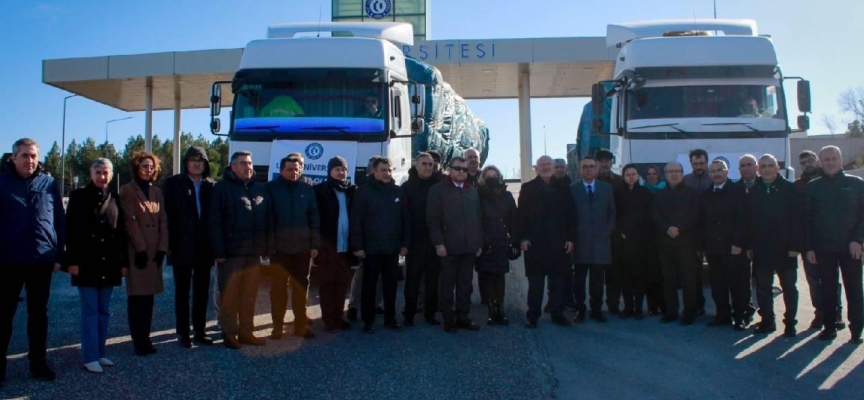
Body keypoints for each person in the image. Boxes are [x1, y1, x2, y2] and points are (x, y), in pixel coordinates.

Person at [0, 138, 65, 382]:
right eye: (25, 155)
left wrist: (59, 254)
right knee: (4, 315)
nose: (30, 160)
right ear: (13, 158)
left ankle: (38, 363)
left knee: (38, 315)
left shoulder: (48, 183)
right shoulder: (2, 183)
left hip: (41, 260)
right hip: (8, 261)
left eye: (34, 156)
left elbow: (59, 219)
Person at [64, 158, 126, 373]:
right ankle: (89, 356)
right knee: (90, 310)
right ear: (91, 173)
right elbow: (70, 229)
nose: (102, 176)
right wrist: (71, 260)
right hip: (86, 262)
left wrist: (123, 262)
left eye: (106, 172)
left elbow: (120, 233)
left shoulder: (115, 198)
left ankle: (100, 352)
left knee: (104, 310)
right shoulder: (78, 196)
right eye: (98, 172)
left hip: (108, 263)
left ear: (111, 174)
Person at [210, 151, 271, 349]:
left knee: (249, 295)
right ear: (233, 166)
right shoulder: (221, 189)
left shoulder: (259, 189)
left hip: (253, 253)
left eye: (250, 163)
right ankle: (229, 334)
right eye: (243, 163)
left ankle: (247, 332)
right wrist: (218, 251)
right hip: (230, 253)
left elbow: (267, 221)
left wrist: (266, 247)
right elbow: (215, 222)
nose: (248, 167)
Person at [804, 146, 864, 344]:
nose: (830, 162)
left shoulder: (856, 184)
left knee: (854, 290)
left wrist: (858, 240)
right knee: (828, 290)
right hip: (823, 248)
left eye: (834, 158)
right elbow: (807, 220)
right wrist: (809, 247)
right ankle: (829, 327)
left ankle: (856, 330)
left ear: (840, 160)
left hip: (851, 248)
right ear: (820, 162)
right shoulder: (813, 187)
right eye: (826, 159)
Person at [163, 147, 216, 348]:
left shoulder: (212, 186)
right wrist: (168, 245)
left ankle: (200, 331)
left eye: (200, 161)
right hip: (181, 246)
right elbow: (166, 216)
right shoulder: (173, 184)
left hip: (204, 248)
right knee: (182, 292)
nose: (196, 164)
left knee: (202, 292)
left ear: (205, 164)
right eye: (192, 160)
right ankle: (183, 333)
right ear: (186, 163)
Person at [350, 157, 410, 333]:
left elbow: (405, 220)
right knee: (369, 286)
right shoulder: (364, 191)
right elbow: (356, 221)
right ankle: (367, 321)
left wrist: (405, 244)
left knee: (391, 286)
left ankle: (390, 318)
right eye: (383, 170)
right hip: (370, 250)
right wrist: (358, 246)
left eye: (389, 170)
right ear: (374, 171)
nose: (387, 173)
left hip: (392, 249)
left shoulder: (398, 192)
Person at [119, 151, 168, 356]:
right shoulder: (127, 190)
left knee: (149, 297)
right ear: (136, 167)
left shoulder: (156, 192)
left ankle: (146, 337)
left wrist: (163, 248)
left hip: (154, 250)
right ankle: (138, 339)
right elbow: (130, 220)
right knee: (137, 296)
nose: (148, 170)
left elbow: (163, 220)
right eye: (144, 166)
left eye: (151, 166)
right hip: (137, 251)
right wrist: (139, 249)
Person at [428, 157, 484, 332]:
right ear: (449, 170)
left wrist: (478, 243)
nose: (461, 172)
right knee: (447, 285)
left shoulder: (472, 191)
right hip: (448, 247)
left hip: (468, 247)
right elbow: (433, 220)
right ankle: (448, 320)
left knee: (465, 285)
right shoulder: (438, 190)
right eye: (457, 168)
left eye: (464, 169)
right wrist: (438, 243)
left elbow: (478, 219)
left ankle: (463, 317)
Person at [518, 156, 576, 328]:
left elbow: (572, 216)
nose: (545, 167)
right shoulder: (528, 189)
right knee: (535, 285)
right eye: (542, 165)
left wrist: (571, 239)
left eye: (548, 165)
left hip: (559, 245)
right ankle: (533, 315)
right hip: (534, 245)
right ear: (536, 168)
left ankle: (558, 314)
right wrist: (523, 238)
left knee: (558, 283)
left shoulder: (565, 188)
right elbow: (521, 216)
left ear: (553, 167)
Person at [267, 155, 320, 340]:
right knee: (278, 290)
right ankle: (277, 327)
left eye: (297, 169)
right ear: (281, 170)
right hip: (279, 250)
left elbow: (314, 219)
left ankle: (300, 326)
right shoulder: (271, 189)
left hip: (302, 250)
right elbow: (266, 219)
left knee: (300, 289)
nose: (294, 172)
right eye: (290, 169)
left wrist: (314, 244)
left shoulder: (307, 189)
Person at [748, 154, 802, 337]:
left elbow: (797, 219)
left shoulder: (790, 189)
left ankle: (790, 324)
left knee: (789, 288)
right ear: (758, 170)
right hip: (762, 250)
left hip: (786, 249)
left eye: (770, 165)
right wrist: (750, 246)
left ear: (777, 168)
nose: (767, 169)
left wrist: (796, 245)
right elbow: (750, 221)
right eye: (763, 166)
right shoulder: (754, 190)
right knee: (763, 289)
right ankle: (768, 321)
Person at [795, 150, 844, 331]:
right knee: (814, 280)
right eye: (803, 162)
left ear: (818, 161)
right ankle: (820, 313)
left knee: (832, 279)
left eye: (810, 160)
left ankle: (836, 312)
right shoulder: (798, 186)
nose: (808, 164)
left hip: (831, 241)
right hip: (808, 242)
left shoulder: (831, 182)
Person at [701, 160, 750, 331]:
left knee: (738, 286)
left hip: (733, 248)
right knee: (718, 285)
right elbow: (704, 221)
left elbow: (743, 220)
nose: (716, 173)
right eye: (713, 171)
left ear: (727, 171)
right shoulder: (706, 193)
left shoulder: (738, 191)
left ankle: (740, 317)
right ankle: (722, 315)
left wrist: (738, 243)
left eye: (719, 170)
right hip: (713, 248)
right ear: (709, 174)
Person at [653, 161, 702, 325]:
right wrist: (667, 228)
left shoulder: (693, 194)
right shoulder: (659, 195)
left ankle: (690, 312)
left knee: (689, 280)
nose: (674, 174)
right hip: (665, 243)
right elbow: (655, 215)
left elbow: (695, 214)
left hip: (686, 242)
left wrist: (678, 228)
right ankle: (671, 311)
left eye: (677, 171)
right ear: (665, 175)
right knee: (668, 279)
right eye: (670, 172)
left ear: (682, 173)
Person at [314, 156, 358, 332]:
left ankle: (339, 317)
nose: (341, 172)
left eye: (344, 169)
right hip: (327, 248)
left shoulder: (353, 191)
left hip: (346, 248)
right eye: (337, 169)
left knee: (341, 285)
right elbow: (315, 219)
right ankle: (328, 319)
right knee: (327, 285)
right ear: (330, 171)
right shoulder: (320, 190)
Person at [571, 156, 616, 323]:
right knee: (579, 281)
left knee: (597, 281)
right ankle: (580, 309)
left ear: (596, 169)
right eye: (585, 167)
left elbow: (612, 213)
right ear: (580, 169)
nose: (588, 169)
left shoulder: (606, 189)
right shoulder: (573, 189)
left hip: (600, 242)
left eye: (591, 166)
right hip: (580, 242)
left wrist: (608, 230)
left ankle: (596, 309)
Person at [401, 153, 443, 326]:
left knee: (433, 281)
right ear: (416, 166)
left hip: (434, 241)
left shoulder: (440, 185)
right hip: (415, 242)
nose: (427, 167)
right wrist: (404, 242)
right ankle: (409, 315)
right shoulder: (407, 187)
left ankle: (430, 314)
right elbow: (403, 217)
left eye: (430, 165)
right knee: (412, 280)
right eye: (424, 164)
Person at [476, 165, 517, 325]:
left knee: (500, 276)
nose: (491, 178)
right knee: (488, 276)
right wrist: (481, 241)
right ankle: (491, 310)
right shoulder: (478, 195)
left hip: (501, 241)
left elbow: (514, 219)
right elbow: (476, 220)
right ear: (483, 178)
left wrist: (514, 241)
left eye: (494, 175)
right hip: (486, 241)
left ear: (499, 177)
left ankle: (501, 309)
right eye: (488, 175)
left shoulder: (507, 195)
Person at [614, 164, 653, 319]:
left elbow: (648, 217)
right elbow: (614, 215)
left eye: (634, 174)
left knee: (639, 277)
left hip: (640, 242)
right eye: (628, 174)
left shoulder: (645, 193)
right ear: (623, 177)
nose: (631, 177)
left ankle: (638, 307)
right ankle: (628, 307)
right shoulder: (617, 193)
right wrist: (620, 233)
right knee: (625, 277)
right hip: (623, 242)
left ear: (638, 176)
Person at [736, 153, 760, 325]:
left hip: (765, 242)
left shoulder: (765, 185)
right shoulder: (735, 189)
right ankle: (745, 311)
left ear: (756, 167)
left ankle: (767, 315)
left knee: (764, 282)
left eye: (749, 164)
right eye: (742, 166)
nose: (746, 168)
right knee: (743, 281)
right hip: (743, 244)